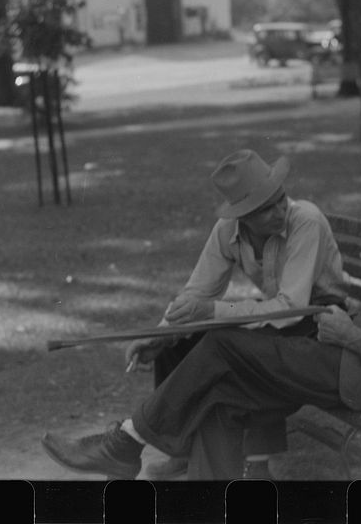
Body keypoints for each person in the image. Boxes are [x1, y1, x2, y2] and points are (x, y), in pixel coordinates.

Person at [41, 129, 361, 480]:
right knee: (219, 390)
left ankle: (125, 442)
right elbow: (198, 294)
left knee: (223, 348)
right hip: (341, 349)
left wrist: (353, 335)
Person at [122, 148, 345, 478]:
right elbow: (197, 291)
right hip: (284, 319)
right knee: (180, 343)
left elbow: (290, 309)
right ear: (243, 215)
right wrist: (161, 334)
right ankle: (180, 449)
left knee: (228, 348)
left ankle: (255, 465)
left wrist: (213, 312)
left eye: (281, 199)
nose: (279, 211)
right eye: (265, 209)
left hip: (319, 325)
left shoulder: (305, 221)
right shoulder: (227, 231)